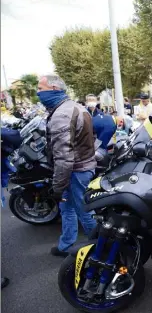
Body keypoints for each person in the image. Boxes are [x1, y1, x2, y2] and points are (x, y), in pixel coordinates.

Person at [37, 75, 97, 257]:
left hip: (75, 172)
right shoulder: (76, 107)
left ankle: (102, 251)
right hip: (79, 169)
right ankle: (66, 245)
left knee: (84, 211)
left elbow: (64, 158)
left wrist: (57, 186)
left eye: (40, 88)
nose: (38, 93)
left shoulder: (62, 114)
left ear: (54, 88)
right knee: (67, 208)